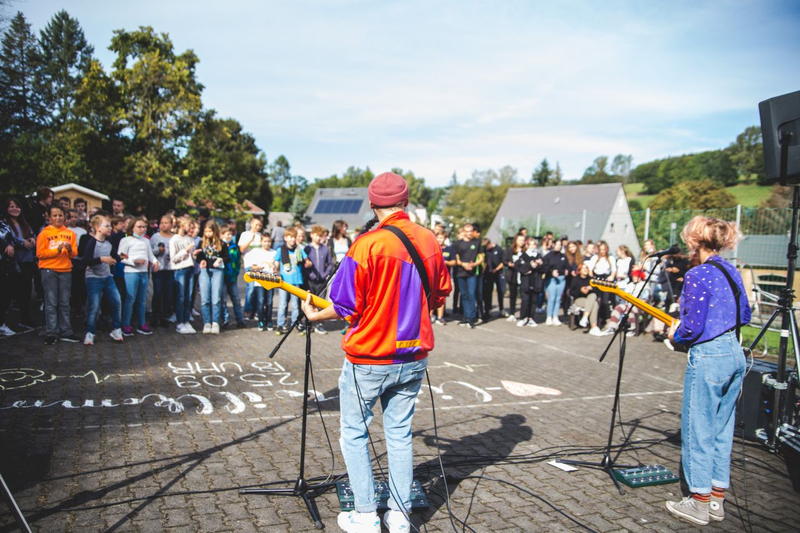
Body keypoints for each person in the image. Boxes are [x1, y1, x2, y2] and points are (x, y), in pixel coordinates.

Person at [300, 171, 451, 533]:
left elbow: (345, 305)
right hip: (413, 356)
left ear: (372, 204)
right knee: (399, 434)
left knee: (354, 432)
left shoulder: (367, 244)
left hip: (370, 357)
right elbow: (442, 291)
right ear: (406, 201)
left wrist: (314, 314)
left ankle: (365, 516)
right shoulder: (428, 239)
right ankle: (399, 517)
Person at [665, 216, 750, 526]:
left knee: (698, 427)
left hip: (710, 356)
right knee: (721, 429)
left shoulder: (697, 274)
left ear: (695, 241)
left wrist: (675, 334)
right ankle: (716, 499)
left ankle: (698, 502)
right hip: (735, 353)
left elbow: (691, 327)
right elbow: (747, 313)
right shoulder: (731, 269)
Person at [36, 205, 80, 345]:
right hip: (49, 270)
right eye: (54, 215)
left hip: (65, 270)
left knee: (64, 302)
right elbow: (40, 254)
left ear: (64, 216)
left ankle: (66, 331)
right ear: (49, 217)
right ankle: (52, 333)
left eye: (60, 215)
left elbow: (74, 254)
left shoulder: (70, 233)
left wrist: (69, 250)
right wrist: (57, 250)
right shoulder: (44, 233)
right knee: (51, 303)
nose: (58, 218)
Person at [82, 214, 124, 345]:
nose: (110, 228)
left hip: (107, 277)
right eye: (107, 226)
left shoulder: (109, 242)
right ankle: (90, 333)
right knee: (94, 306)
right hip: (93, 278)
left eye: (110, 225)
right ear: (97, 228)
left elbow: (113, 257)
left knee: (117, 301)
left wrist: (120, 257)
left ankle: (116, 329)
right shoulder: (92, 242)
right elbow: (86, 261)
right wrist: (101, 259)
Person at [119, 216, 157, 336]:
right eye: (139, 227)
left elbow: (150, 255)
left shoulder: (145, 240)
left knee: (142, 300)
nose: (142, 229)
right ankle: (125, 324)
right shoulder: (126, 240)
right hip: (131, 272)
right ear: (132, 227)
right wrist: (134, 260)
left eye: (144, 227)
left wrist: (155, 262)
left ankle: (142, 323)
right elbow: (121, 255)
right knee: (130, 299)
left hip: (144, 272)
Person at [4, 198, 37, 330]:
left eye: (17, 206)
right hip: (14, 263)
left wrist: (33, 239)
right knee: (10, 292)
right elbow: (6, 239)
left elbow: (32, 234)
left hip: (27, 261)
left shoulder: (24, 223)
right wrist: (21, 243)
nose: (15, 209)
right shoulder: (4, 224)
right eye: (11, 206)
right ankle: (4, 323)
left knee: (26, 292)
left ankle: (25, 319)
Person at [274, 227, 309, 334]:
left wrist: (308, 263)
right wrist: (275, 270)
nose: (292, 239)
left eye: (294, 237)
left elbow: (307, 260)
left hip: (296, 281)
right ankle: (280, 324)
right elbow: (275, 264)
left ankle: (296, 323)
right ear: (285, 238)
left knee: (295, 305)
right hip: (284, 283)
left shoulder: (299, 250)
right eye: (290, 237)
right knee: (282, 304)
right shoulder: (281, 250)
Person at [196, 220, 228, 334]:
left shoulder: (222, 244)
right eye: (206, 231)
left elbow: (226, 256)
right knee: (205, 298)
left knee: (216, 298)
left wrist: (221, 259)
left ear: (214, 231)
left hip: (217, 270)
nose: (208, 233)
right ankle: (206, 322)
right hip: (205, 270)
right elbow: (199, 256)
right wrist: (201, 260)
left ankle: (215, 322)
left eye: (210, 231)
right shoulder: (201, 242)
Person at [169, 217, 197, 334]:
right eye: (188, 226)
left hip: (190, 268)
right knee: (180, 296)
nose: (190, 228)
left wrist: (194, 254)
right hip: (180, 269)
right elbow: (173, 258)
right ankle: (180, 322)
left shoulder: (189, 239)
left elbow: (191, 256)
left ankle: (186, 321)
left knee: (188, 296)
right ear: (181, 226)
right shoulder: (174, 240)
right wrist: (185, 250)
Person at [305, 225, 333, 334]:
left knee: (320, 302)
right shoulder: (307, 249)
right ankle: (309, 323)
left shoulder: (325, 249)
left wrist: (325, 274)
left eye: (320, 236)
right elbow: (304, 264)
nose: (318, 238)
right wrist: (309, 274)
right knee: (309, 302)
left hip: (322, 281)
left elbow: (330, 264)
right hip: (310, 280)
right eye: (316, 235)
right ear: (311, 235)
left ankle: (319, 324)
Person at [454, 223, 482, 329]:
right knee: (464, 295)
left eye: (471, 231)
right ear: (464, 232)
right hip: (461, 272)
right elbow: (456, 258)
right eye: (467, 231)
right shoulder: (458, 244)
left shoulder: (477, 243)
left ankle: (471, 318)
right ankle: (465, 316)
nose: (469, 233)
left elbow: (480, 258)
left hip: (472, 273)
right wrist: (463, 264)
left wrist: (474, 264)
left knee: (471, 294)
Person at [220, 224, 245, 329]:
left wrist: (236, 272)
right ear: (221, 235)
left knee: (236, 299)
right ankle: (225, 320)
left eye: (230, 234)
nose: (229, 236)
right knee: (223, 300)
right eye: (227, 234)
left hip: (232, 277)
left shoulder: (234, 247)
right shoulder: (220, 246)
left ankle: (240, 320)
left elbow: (238, 261)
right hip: (222, 277)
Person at [150, 215, 174, 327]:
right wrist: (158, 250)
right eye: (161, 222)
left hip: (170, 269)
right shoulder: (155, 237)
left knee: (168, 293)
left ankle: (165, 315)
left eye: (166, 222)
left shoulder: (174, 238)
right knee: (158, 292)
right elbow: (149, 252)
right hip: (158, 268)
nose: (163, 225)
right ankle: (155, 316)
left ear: (171, 225)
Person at [239, 216, 264, 320]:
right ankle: (247, 310)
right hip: (249, 264)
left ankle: (255, 311)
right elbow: (242, 249)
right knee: (250, 288)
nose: (257, 227)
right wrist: (250, 240)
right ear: (251, 224)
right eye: (256, 225)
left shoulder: (260, 236)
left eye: (259, 225)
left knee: (258, 289)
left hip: (259, 266)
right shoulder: (245, 235)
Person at [515, 238, 544, 327]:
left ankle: (531, 318)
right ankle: (523, 317)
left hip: (535, 282)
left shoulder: (538, 256)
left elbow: (544, 269)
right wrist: (529, 265)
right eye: (531, 244)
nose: (533, 246)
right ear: (527, 245)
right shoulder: (523, 256)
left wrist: (539, 264)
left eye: (534, 244)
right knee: (525, 300)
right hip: (526, 282)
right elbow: (518, 267)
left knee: (534, 300)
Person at [570, 263, 602, 335]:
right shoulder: (576, 279)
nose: (585, 270)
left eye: (586, 268)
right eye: (583, 268)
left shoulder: (591, 279)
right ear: (579, 270)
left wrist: (590, 289)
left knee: (594, 298)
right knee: (594, 303)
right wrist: (580, 290)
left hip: (589, 299)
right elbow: (572, 292)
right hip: (579, 299)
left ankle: (585, 318)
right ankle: (593, 327)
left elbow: (597, 291)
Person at [542, 238, 568, 326]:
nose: (558, 246)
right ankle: (549, 316)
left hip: (561, 279)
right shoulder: (548, 256)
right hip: (551, 279)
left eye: (560, 245)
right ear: (553, 245)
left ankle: (555, 316)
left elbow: (567, 266)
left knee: (558, 299)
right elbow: (544, 268)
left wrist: (567, 270)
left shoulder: (563, 256)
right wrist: (551, 272)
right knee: (551, 298)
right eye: (557, 244)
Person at [504, 233, 526, 322]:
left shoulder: (526, 251)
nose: (521, 242)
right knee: (513, 295)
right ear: (516, 240)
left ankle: (523, 315)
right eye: (519, 240)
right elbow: (505, 260)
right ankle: (512, 313)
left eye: (523, 240)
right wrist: (509, 264)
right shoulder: (510, 250)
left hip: (523, 276)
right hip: (513, 275)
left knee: (524, 296)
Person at [482, 238, 505, 319]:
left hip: (498, 274)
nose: (486, 248)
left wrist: (496, 269)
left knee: (500, 291)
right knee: (488, 292)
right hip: (488, 274)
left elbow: (503, 262)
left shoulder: (499, 250)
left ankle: (501, 309)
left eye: (487, 246)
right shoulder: (485, 250)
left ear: (490, 243)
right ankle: (488, 309)